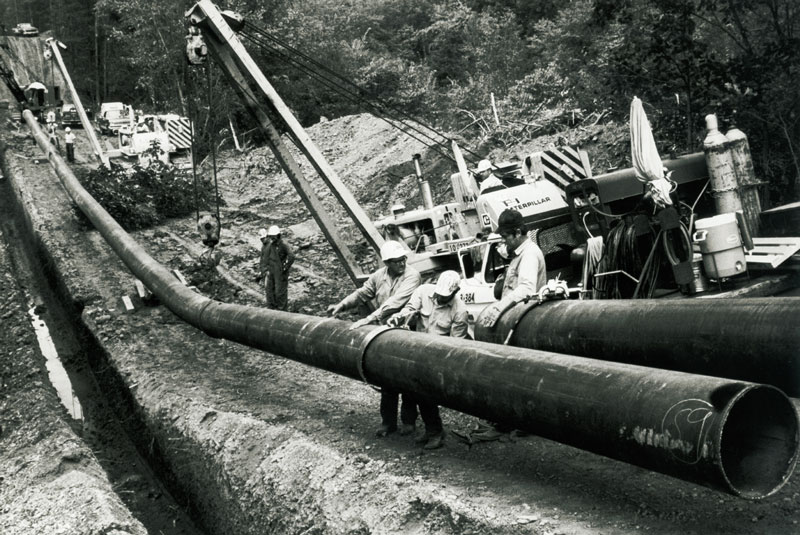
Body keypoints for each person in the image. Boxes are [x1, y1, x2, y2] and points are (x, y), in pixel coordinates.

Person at [327, 240, 421, 437]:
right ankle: (388, 423)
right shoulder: (379, 276)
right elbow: (363, 293)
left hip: (406, 333)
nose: (402, 264)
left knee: (406, 379)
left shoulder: (412, 276)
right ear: (387, 262)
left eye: (403, 259)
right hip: (384, 333)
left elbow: (396, 302)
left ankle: (409, 421)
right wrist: (342, 305)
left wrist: (369, 318)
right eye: (396, 261)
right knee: (386, 378)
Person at [386, 270, 469, 449]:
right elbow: (409, 309)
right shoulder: (424, 291)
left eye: (445, 297)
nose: (440, 298)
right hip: (415, 349)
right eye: (439, 294)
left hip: (436, 357)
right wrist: (401, 317)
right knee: (408, 387)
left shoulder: (460, 311)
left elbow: (456, 346)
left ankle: (435, 433)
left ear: (455, 292)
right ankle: (412, 423)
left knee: (425, 395)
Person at [479, 209, 546, 328]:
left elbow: (526, 288)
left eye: (505, 236)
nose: (503, 241)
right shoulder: (519, 253)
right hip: (517, 317)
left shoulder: (529, 254)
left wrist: (499, 307)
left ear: (518, 233)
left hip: (525, 320)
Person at [257, 225, 295, 311]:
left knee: (280, 292)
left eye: (273, 237)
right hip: (272, 271)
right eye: (271, 236)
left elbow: (291, 256)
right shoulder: (271, 245)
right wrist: (265, 270)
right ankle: (273, 310)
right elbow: (266, 258)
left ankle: (282, 310)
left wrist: (285, 267)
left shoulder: (283, 244)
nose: (272, 238)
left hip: (280, 272)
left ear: (278, 235)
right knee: (270, 291)